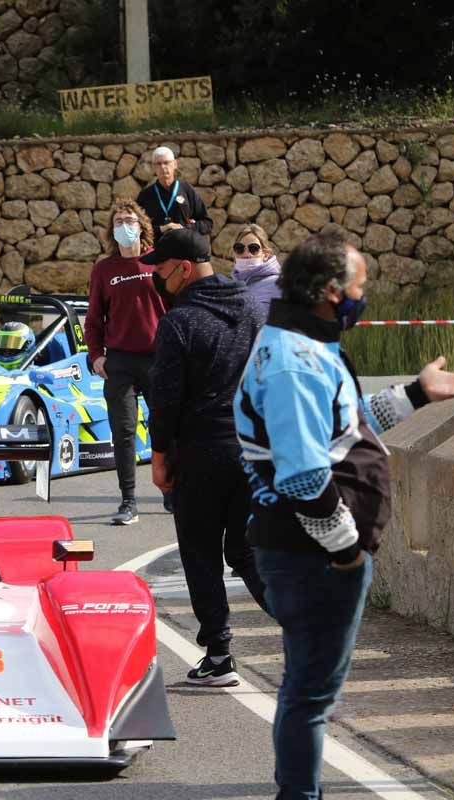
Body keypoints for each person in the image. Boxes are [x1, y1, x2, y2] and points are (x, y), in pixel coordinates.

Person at [234, 230, 454, 800]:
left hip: (308, 553)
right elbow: (302, 474)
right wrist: (346, 551)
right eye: (360, 284)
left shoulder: (305, 344)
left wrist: (418, 394)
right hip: (313, 556)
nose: (363, 295)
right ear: (329, 290)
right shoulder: (293, 362)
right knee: (310, 695)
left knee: (307, 688)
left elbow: (344, 429)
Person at [143, 229, 270, 687]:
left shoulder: (180, 322)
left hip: (200, 452)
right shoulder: (255, 311)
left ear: (182, 268)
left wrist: (160, 457)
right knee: (246, 549)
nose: (156, 275)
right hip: (255, 451)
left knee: (200, 553)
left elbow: (166, 399)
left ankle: (218, 655)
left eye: (160, 267)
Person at [83, 198, 168, 525]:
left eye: (130, 220)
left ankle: (170, 490)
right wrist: (96, 356)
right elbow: (93, 320)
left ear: (142, 225)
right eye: (118, 221)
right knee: (124, 432)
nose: (124, 226)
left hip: (159, 359)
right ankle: (128, 501)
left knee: (166, 427)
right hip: (119, 362)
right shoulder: (104, 269)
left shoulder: (157, 262)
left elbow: (175, 308)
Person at [136, 146, 213, 242]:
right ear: (153, 167)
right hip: (157, 252)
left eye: (166, 163)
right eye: (158, 164)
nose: (163, 167)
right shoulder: (145, 195)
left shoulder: (186, 190)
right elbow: (137, 228)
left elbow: (207, 223)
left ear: (175, 164)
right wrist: (161, 229)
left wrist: (185, 228)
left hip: (186, 249)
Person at [231, 223, 282, 313]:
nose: (246, 254)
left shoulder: (279, 284)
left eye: (254, 248)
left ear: (266, 254)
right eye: (239, 248)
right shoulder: (230, 288)